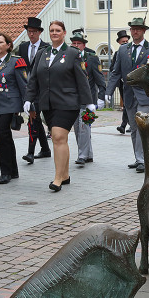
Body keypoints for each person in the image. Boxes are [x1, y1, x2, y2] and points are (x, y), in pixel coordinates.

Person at [25, 21, 93, 191]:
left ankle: (57, 178)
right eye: (52, 31)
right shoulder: (42, 53)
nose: (54, 33)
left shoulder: (72, 53)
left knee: (58, 136)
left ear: (64, 33)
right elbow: (34, 78)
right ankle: (65, 174)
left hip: (68, 102)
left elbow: (82, 79)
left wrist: (89, 102)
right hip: (47, 103)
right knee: (60, 140)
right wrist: (28, 99)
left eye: (58, 30)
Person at [105, 17, 149, 172]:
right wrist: (108, 92)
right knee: (134, 127)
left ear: (144, 31)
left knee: (142, 126)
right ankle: (139, 158)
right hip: (128, 94)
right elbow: (116, 72)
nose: (135, 31)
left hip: (145, 93)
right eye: (133, 29)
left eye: (138, 29)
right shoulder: (123, 50)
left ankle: (144, 160)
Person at [0, 32, 27, 184]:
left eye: (1, 42)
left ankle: (5, 172)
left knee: (1, 136)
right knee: (6, 137)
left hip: (10, 103)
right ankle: (13, 170)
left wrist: (27, 104)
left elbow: (23, 84)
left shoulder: (16, 61)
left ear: (8, 45)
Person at [17, 17, 51, 164]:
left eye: (34, 32)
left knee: (33, 118)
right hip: (27, 87)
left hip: (41, 88)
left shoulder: (46, 47)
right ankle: (45, 149)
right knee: (35, 118)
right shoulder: (23, 47)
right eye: (29, 32)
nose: (31, 34)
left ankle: (30, 152)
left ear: (39, 32)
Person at [70, 30, 105, 166]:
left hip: (88, 98)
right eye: (74, 43)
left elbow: (100, 79)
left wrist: (101, 97)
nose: (76, 45)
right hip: (74, 99)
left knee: (85, 127)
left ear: (84, 45)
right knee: (78, 128)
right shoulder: (68, 57)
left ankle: (82, 155)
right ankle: (88, 154)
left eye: (79, 43)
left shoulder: (91, 58)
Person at [112, 30, 131, 134]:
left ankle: (125, 124)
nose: (125, 43)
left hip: (132, 82)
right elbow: (113, 68)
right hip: (122, 83)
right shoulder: (117, 53)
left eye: (126, 41)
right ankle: (126, 125)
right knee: (127, 104)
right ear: (119, 42)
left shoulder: (133, 51)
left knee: (130, 104)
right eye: (123, 41)